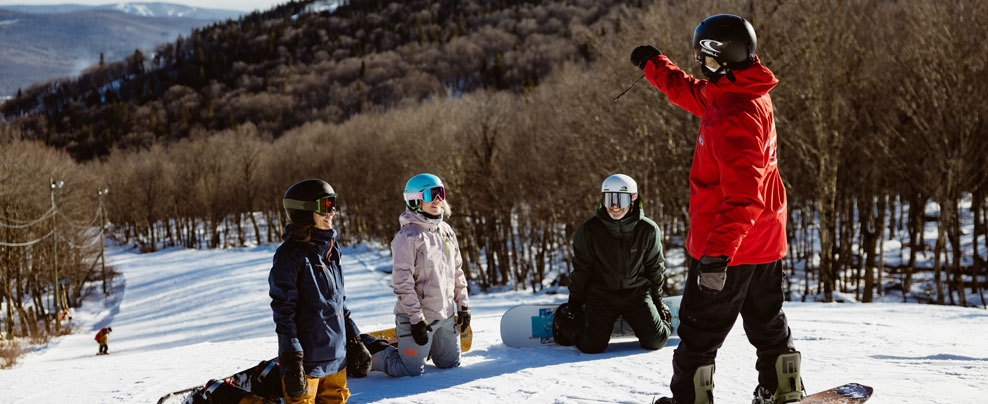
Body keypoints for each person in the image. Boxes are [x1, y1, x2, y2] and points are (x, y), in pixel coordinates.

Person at [629, 14, 801, 404]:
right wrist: (655, 66)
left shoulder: (733, 115)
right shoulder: (745, 89)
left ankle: (691, 400)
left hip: (729, 245)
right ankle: (784, 389)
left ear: (720, 57)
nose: (701, 68)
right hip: (765, 240)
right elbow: (694, 92)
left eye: (704, 60)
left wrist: (716, 256)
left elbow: (743, 195)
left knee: (699, 331)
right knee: (767, 321)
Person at [269, 179, 371, 404]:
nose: (332, 212)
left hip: (337, 360)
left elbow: (339, 302)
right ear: (305, 212)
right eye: (326, 206)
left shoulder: (332, 250)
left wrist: (354, 339)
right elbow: (283, 312)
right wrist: (293, 358)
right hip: (307, 364)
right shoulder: (289, 256)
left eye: (333, 204)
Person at [552, 174, 672, 354]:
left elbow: (655, 267)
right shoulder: (589, 230)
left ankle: (662, 320)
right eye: (609, 199)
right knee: (591, 346)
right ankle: (565, 323)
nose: (614, 206)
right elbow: (581, 270)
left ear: (633, 198)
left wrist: (657, 300)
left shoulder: (647, 229)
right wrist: (574, 305)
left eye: (619, 199)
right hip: (602, 294)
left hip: (636, 294)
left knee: (656, 341)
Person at [370, 173, 470, 377]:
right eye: (431, 194)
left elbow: (457, 272)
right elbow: (402, 283)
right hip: (418, 318)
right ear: (415, 199)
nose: (437, 200)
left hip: (445, 315)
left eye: (440, 193)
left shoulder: (446, 231)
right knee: (409, 371)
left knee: (450, 365)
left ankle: (423, 347)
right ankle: (371, 350)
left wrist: (464, 307)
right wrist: (416, 320)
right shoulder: (407, 237)